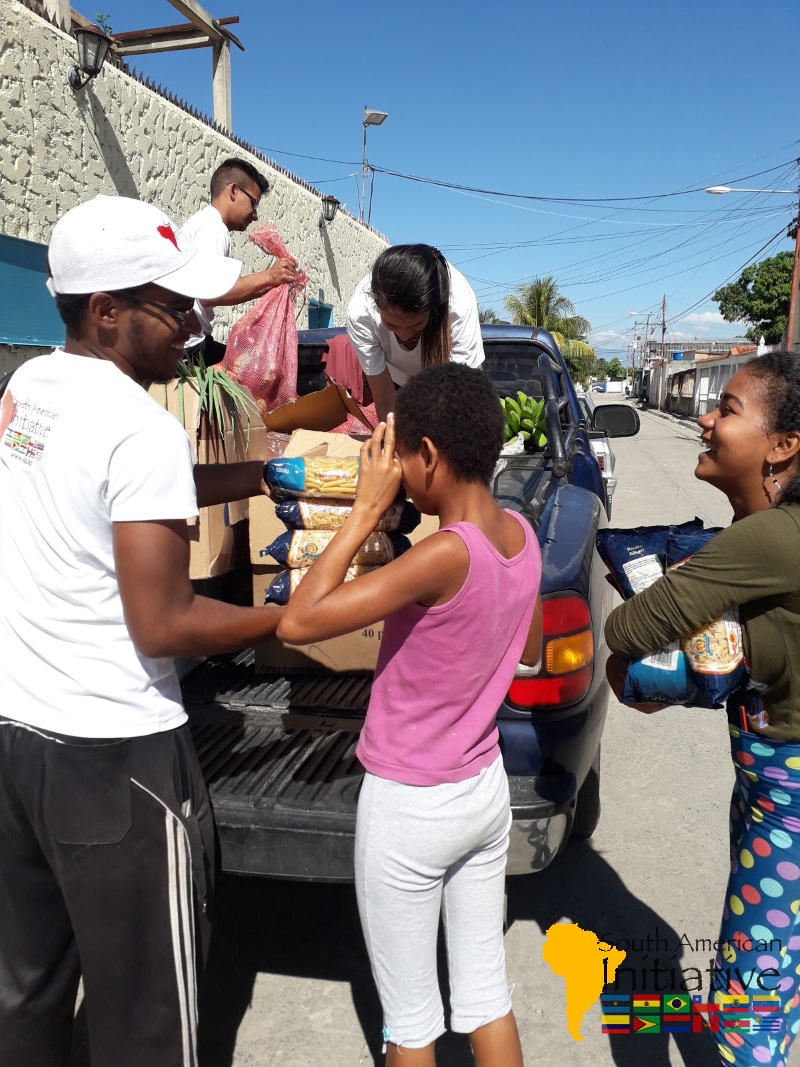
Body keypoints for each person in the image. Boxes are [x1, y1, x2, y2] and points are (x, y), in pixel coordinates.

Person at [0, 194, 283, 1067]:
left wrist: (263, 471)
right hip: (117, 761)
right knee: (149, 1018)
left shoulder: (31, 388)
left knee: (26, 992)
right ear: (107, 310)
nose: (197, 325)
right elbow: (162, 622)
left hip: (18, 738)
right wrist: (285, 617)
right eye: (175, 306)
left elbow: (116, 497)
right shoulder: (142, 426)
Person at [278, 363, 543, 1066]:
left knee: (411, 1020)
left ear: (428, 455)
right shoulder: (522, 533)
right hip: (483, 789)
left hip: (410, 807)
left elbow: (298, 621)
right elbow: (532, 647)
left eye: (399, 458)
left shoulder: (440, 556)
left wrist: (365, 511)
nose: (392, 470)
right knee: (487, 993)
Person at [604, 350, 800, 1067]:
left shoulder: (767, 539)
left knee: (749, 1014)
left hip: (788, 799)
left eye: (728, 409)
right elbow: (746, 661)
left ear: (782, 447)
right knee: (770, 978)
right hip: (768, 780)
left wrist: (684, 579)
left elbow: (626, 631)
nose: (704, 418)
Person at [346, 244, 485, 422]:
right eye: (391, 324)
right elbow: (385, 399)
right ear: (376, 307)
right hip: (394, 383)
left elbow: (459, 398)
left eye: (417, 324)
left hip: (455, 389)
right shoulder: (361, 313)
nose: (404, 336)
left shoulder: (458, 305)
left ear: (433, 310)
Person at [180, 156, 297, 365]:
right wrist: (269, 276)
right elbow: (209, 293)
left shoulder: (206, 224)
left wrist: (271, 283)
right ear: (233, 191)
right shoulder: (212, 228)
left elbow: (221, 290)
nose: (255, 215)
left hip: (191, 344)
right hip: (190, 349)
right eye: (254, 203)